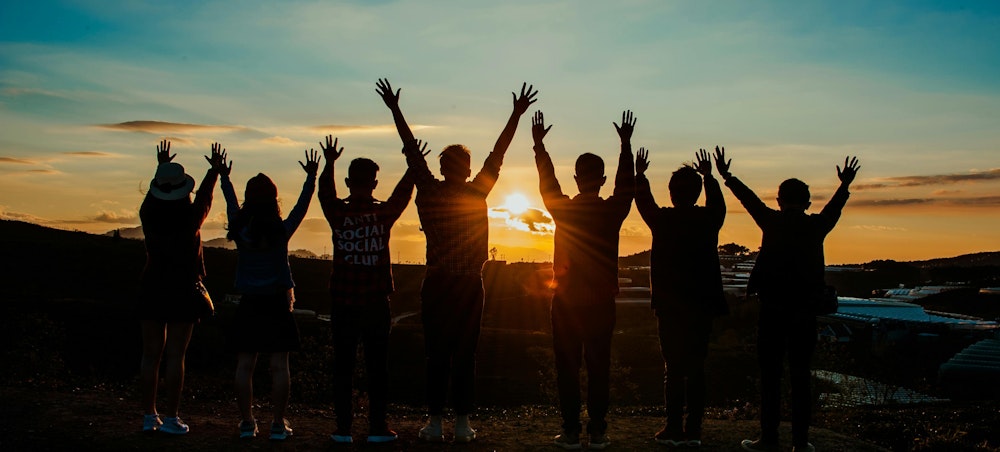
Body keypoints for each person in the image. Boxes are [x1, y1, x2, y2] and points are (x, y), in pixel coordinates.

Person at [376, 78, 538, 442]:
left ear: (443, 166)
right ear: (466, 169)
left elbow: (411, 151)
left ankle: (434, 423)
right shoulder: (477, 191)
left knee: (436, 355)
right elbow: (499, 153)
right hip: (467, 286)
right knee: (466, 355)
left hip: (437, 283)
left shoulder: (429, 191)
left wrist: (395, 109)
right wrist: (515, 114)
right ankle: (463, 423)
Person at [720, 149, 860, 452]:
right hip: (804, 314)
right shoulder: (816, 226)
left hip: (771, 311)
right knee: (801, 378)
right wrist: (844, 185)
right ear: (807, 203)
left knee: (770, 377)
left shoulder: (772, 222)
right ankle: (799, 443)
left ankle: (768, 439)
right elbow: (834, 208)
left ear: (779, 200)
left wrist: (727, 177)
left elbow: (749, 200)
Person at [532, 110, 635, 450]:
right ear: (601, 179)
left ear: (576, 178)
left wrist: (539, 148)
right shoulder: (612, 211)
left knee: (567, 368)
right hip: (602, 302)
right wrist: (625, 146)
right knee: (599, 367)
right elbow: (626, 187)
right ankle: (598, 431)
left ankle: (572, 430)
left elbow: (548, 184)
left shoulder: (564, 209)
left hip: (565, 301)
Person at [318, 135, 420, 444]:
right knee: (378, 367)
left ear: (348, 182)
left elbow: (324, 192)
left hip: (343, 301)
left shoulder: (337, 214)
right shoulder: (383, 214)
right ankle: (377, 427)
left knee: (343, 366)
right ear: (375, 183)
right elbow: (403, 194)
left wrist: (329, 163)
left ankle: (343, 429)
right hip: (376, 302)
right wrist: (413, 165)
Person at [221, 148, 320, 441]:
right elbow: (302, 207)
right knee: (279, 366)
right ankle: (278, 424)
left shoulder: (240, 229)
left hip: (249, 302)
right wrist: (311, 178)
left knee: (245, 365)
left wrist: (224, 176)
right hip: (278, 303)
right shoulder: (281, 230)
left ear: (249, 199)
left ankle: (247, 423)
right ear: (274, 199)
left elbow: (230, 202)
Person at [634, 147, 728, 447]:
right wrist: (710, 177)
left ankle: (673, 428)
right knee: (697, 367)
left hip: (670, 306)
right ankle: (694, 430)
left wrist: (640, 175)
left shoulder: (663, 220)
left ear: (672, 193)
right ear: (697, 193)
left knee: (673, 368)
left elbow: (643, 202)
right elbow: (718, 205)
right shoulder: (709, 220)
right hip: (702, 305)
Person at [137, 140, 225, 434]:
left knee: (151, 354)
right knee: (176, 355)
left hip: (152, 284)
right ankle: (172, 417)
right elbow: (206, 199)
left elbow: (156, 195)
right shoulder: (190, 218)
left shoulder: (148, 213)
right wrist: (214, 170)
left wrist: (161, 166)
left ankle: (149, 415)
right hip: (183, 287)